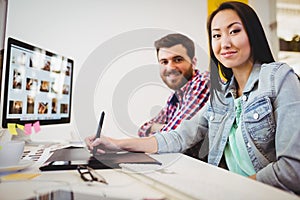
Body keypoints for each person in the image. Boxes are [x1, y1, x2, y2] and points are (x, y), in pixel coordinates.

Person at [85, 1, 300, 194]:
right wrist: (116, 144)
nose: (224, 43)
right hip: (225, 188)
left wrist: (233, 190)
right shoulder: (221, 96)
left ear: (252, 34)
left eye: (234, 31)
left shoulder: (278, 77)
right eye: (216, 35)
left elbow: (292, 169)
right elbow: (179, 136)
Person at [138, 33, 210, 159]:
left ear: (193, 62)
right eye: (164, 62)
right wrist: (164, 129)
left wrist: (160, 128)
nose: (170, 67)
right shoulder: (176, 95)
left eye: (177, 60)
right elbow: (143, 129)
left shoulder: (203, 83)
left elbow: (172, 139)